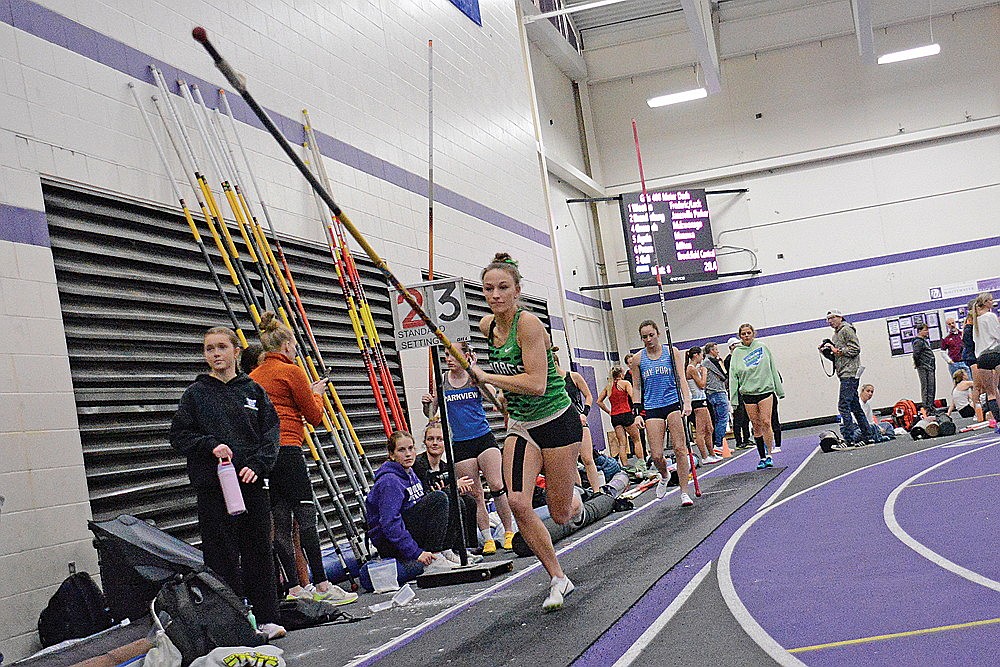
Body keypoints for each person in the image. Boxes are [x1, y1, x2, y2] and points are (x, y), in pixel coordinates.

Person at [468, 253, 584, 611]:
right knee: (517, 502)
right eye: (489, 289)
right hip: (521, 427)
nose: (496, 295)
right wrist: (491, 382)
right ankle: (557, 577)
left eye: (503, 288)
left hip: (556, 421)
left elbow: (535, 383)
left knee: (561, 514)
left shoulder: (529, 324)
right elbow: (513, 379)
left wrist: (488, 378)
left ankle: (579, 498)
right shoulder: (487, 327)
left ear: (517, 290)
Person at [169, 326, 285, 640]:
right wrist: (209, 445)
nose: (216, 354)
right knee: (219, 557)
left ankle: (267, 619)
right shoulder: (195, 394)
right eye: (209, 349)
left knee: (258, 552)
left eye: (222, 347)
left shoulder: (253, 391)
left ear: (236, 351)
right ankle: (232, 625)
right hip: (213, 487)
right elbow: (179, 435)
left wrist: (258, 465)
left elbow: (271, 434)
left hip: (250, 486)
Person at [248, 312, 357, 606]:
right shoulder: (292, 372)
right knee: (306, 517)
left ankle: (295, 588)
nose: (296, 350)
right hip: (290, 450)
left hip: (266, 455)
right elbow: (315, 416)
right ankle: (322, 583)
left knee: (280, 522)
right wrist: (316, 393)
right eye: (294, 345)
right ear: (285, 346)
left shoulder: (253, 378)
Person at [421, 341, 515, 555]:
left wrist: (477, 373)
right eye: (446, 354)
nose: (448, 358)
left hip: (483, 438)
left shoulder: (472, 377)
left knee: (497, 485)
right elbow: (431, 413)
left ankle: (509, 531)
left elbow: (495, 398)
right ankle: (488, 538)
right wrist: (426, 403)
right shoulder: (442, 380)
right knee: (474, 494)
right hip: (461, 443)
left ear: (465, 355)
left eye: (453, 354)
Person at [365, 431, 471, 576]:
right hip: (390, 543)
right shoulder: (389, 481)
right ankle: (435, 556)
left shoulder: (410, 473)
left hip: (408, 530)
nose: (408, 454)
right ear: (392, 455)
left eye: (411, 448)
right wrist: (416, 552)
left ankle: (446, 551)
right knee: (439, 498)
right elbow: (389, 524)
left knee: (454, 498)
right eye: (401, 450)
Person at [628, 319, 695, 505]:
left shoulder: (671, 352)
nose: (648, 339)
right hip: (652, 407)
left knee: (680, 449)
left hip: (673, 403)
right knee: (656, 454)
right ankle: (664, 474)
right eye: (644, 337)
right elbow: (637, 386)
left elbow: (681, 378)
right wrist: (636, 412)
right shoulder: (638, 359)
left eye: (651, 335)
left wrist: (687, 401)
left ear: (658, 334)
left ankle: (683, 492)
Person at [412, 419, 482, 563]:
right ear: (424, 442)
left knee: (467, 501)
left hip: (438, 505)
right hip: (421, 515)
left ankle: (463, 547)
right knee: (451, 497)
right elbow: (427, 493)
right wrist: (453, 487)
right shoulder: (418, 465)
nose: (435, 443)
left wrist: (457, 488)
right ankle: (443, 548)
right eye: (430, 439)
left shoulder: (446, 467)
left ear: (446, 443)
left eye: (439, 439)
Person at [729, 323, 784, 470]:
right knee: (756, 425)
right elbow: (733, 376)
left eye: (748, 333)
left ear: (753, 333)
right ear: (740, 336)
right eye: (743, 334)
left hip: (765, 390)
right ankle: (762, 456)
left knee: (766, 421)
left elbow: (772, 368)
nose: (746, 336)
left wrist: (779, 390)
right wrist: (733, 399)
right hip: (748, 393)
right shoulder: (737, 353)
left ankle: (770, 454)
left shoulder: (763, 347)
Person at [552, 349, 604, 493]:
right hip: (562, 424)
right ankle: (581, 493)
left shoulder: (573, 377)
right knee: (571, 463)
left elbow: (588, 396)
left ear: (555, 363)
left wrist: (584, 413)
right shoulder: (549, 384)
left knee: (587, 458)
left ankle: (597, 491)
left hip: (579, 421)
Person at [823, 309, 871, 444]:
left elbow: (855, 349)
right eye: (828, 319)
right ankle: (868, 435)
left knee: (843, 405)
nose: (830, 321)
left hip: (850, 372)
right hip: (844, 371)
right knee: (855, 406)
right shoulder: (836, 335)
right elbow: (837, 357)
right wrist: (826, 352)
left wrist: (837, 350)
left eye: (832, 318)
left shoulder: (846, 330)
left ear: (840, 317)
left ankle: (850, 439)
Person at [597, 366, 644, 469]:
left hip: (615, 417)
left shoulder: (608, 387)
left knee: (622, 443)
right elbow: (633, 396)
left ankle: (625, 467)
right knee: (636, 440)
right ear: (621, 374)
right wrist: (637, 409)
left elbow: (599, 402)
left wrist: (609, 411)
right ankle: (641, 465)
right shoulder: (625, 383)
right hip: (626, 413)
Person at [971, 293, 1000, 429]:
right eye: (991, 300)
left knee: (991, 393)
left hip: (982, 358)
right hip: (994, 353)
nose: (993, 302)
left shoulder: (976, 320)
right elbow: (997, 335)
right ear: (986, 302)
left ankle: (998, 422)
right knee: (997, 389)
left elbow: (975, 341)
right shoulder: (990, 316)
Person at [685, 347, 719, 464]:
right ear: (695, 355)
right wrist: (704, 373)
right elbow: (702, 385)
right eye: (701, 355)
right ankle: (704, 457)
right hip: (697, 402)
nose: (702, 357)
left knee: (709, 428)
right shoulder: (691, 369)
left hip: (702, 400)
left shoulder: (695, 368)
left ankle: (712, 454)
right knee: (701, 431)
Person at [703, 343, 730, 458]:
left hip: (712, 393)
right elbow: (724, 374)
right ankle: (718, 444)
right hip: (717, 391)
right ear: (711, 351)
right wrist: (720, 362)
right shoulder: (711, 362)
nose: (718, 352)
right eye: (716, 349)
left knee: (718, 419)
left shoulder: (707, 362)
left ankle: (719, 443)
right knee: (723, 418)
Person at [724, 337, 751, 449]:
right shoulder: (729, 360)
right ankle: (739, 441)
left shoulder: (741, 357)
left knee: (746, 416)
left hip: (744, 389)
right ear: (731, 347)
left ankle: (746, 438)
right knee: (738, 417)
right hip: (736, 391)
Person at [962, 306, 987, 422]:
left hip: (976, 356)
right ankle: (977, 412)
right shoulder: (968, 329)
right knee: (977, 386)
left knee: (982, 386)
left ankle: (983, 409)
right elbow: (971, 345)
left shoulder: (972, 328)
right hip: (972, 358)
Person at [912, 323, 937, 417]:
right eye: (925, 330)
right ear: (919, 331)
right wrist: (919, 365)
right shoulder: (918, 342)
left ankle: (930, 406)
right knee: (927, 387)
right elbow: (916, 354)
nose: (927, 332)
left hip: (929, 366)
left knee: (931, 387)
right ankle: (927, 407)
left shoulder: (924, 341)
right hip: (924, 367)